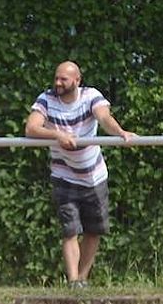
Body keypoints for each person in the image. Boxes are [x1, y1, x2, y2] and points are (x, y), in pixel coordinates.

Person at [24, 61, 136, 288]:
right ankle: (73, 280)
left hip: (94, 176)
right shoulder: (46, 99)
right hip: (64, 175)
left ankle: (82, 280)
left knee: (94, 231)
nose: (58, 83)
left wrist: (120, 132)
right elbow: (31, 128)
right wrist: (57, 135)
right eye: (56, 78)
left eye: (63, 79)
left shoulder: (91, 96)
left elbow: (104, 118)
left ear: (77, 80)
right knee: (70, 230)